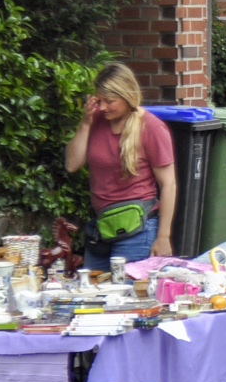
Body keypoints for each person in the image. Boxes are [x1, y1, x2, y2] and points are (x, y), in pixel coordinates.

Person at [64, 62, 177, 268]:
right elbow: (72, 164)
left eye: (110, 101)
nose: (103, 107)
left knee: (126, 295)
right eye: (99, 101)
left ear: (127, 97)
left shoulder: (152, 127)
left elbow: (168, 184)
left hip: (138, 232)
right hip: (102, 228)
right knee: (93, 294)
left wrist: (163, 237)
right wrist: (85, 123)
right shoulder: (96, 119)